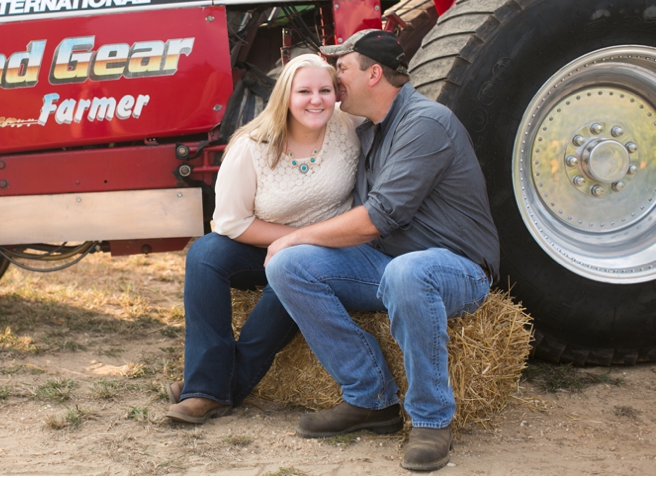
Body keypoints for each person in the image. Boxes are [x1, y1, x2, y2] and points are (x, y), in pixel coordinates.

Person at [263, 30, 500, 472]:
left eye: (343, 68)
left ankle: (431, 421)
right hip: (390, 264)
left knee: (406, 273)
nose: (335, 80)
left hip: (455, 268)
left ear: (374, 74)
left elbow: (376, 218)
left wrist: (295, 233)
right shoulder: (371, 131)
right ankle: (370, 399)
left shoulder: (426, 123)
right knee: (290, 266)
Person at [165, 54, 361, 424]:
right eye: (304, 91)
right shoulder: (253, 146)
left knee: (293, 270)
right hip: (261, 245)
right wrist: (292, 239)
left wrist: (304, 243)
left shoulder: (349, 126)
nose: (316, 100)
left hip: (327, 253)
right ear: (285, 96)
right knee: (205, 253)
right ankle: (210, 382)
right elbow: (229, 222)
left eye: (324, 90)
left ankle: (208, 389)